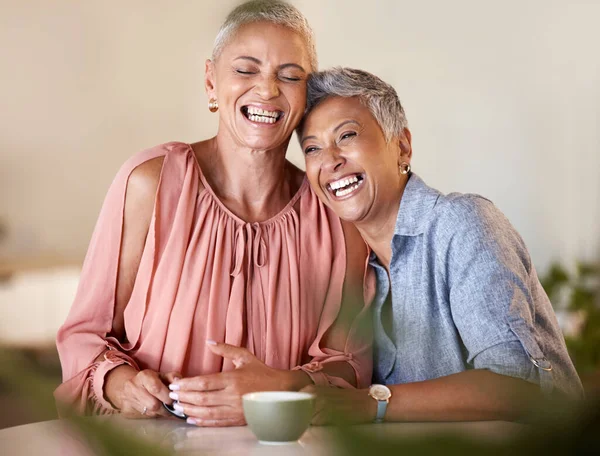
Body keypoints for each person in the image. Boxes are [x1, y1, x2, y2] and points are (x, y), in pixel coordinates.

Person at [55, 2, 371, 427]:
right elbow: (85, 335)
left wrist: (279, 387)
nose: (266, 89)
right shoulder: (150, 183)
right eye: (246, 70)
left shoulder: (335, 218)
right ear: (210, 82)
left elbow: (349, 364)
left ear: (306, 96)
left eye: (290, 76)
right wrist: (119, 383)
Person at [298, 67, 583, 423]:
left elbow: (516, 385)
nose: (329, 160)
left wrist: (372, 403)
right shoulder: (354, 270)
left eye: (347, 135)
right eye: (312, 148)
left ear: (402, 146)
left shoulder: (462, 222)